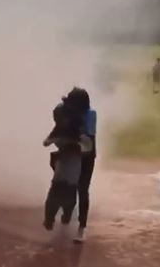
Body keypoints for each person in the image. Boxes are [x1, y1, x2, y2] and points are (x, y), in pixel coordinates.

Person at [42, 87, 87, 232]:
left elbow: (79, 139)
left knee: (63, 188)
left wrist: (56, 139)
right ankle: (53, 217)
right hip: (68, 157)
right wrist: (54, 139)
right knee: (62, 187)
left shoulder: (75, 118)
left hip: (71, 156)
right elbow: (58, 130)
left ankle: (59, 216)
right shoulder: (68, 115)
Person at [73, 89, 96, 243]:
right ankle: (69, 211)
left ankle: (82, 226)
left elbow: (88, 136)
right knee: (70, 185)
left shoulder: (90, 114)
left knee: (82, 189)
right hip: (73, 154)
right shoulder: (69, 113)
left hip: (86, 155)